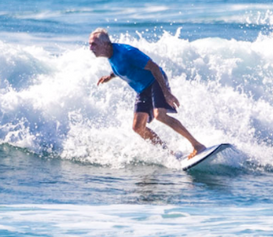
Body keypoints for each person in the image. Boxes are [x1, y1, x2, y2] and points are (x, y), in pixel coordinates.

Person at [88, 28, 207, 160]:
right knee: (138, 127)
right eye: (89, 44)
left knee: (160, 115)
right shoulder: (111, 56)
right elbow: (123, 68)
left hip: (155, 81)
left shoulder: (127, 52)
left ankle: (197, 145)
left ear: (105, 44)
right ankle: (169, 153)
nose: (90, 48)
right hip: (142, 90)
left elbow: (154, 67)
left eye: (94, 44)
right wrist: (110, 76)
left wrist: (167, 93)